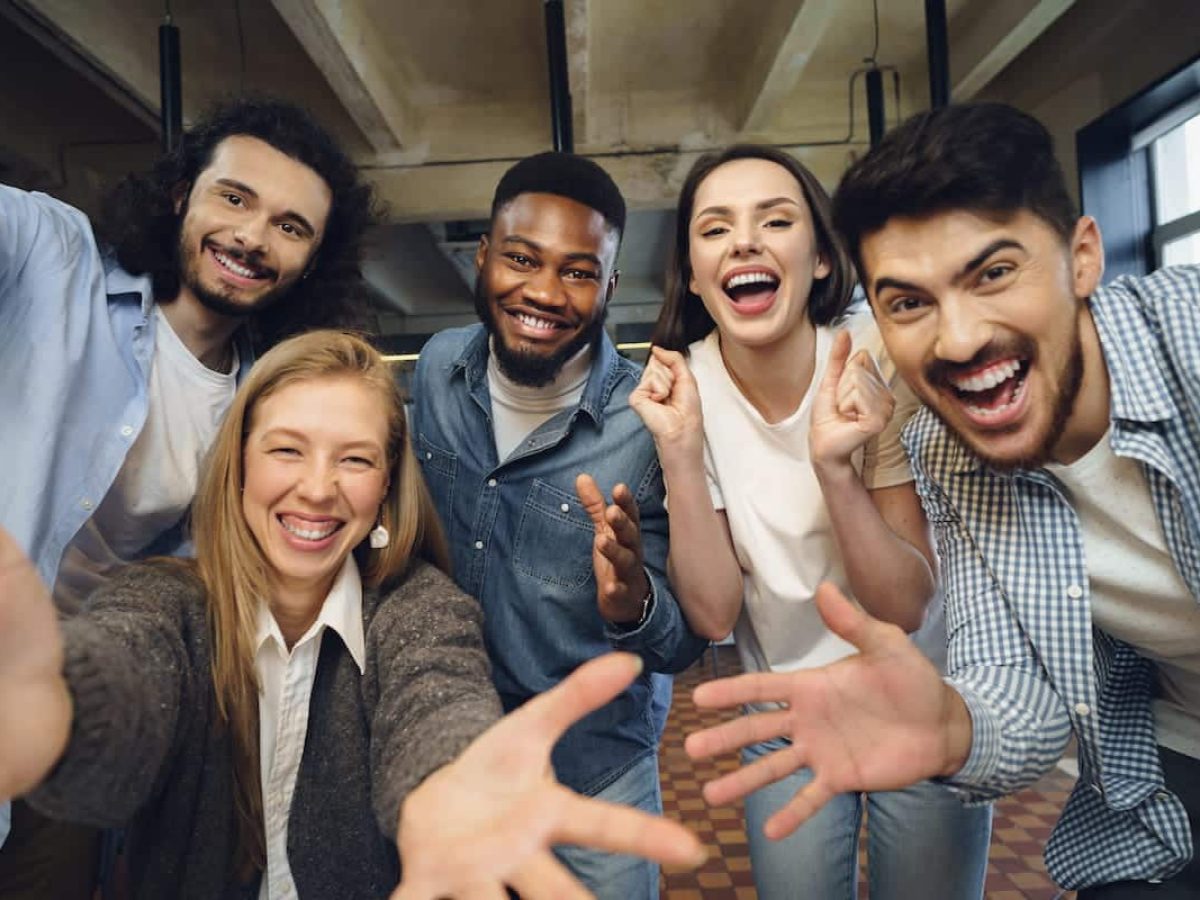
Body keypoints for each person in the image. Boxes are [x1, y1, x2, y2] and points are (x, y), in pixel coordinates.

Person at [685, 103, 1200, 898]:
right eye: (909, 304)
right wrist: (957, 725)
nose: (957, 340)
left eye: (993, 273)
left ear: (1084, 257)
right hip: (1164, 761)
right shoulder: (948, 451)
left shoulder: (1188, 337)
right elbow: (1014, 686)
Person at [0, 330, 705, 900]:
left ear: (387, 486)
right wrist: (58, 711)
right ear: (238, 463)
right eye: (286, 450)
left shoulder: (418, 610)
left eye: (355, 460)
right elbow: (125, 675)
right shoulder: (165, 602)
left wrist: (448, 795)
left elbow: (439, 707)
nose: (317, 489)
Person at [0, 95, 377, 896]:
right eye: (234, 198)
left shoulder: (261, 406)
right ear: (182, 195)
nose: (251, 236)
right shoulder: (52, 255)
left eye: (290, 226)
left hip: (84, 697)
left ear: (313, 260)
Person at [630, 144, 991, 899]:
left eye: (776, 219)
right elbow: (714, 612)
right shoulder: (682, 389)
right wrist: (681, 455)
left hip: (915, 691)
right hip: (784, 705)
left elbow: (903, 603)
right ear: (694, 275)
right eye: (715, 228)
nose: (745, 242)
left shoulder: (873, 365)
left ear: (822, 259)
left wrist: (836, 469)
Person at [409, 151, 708, 897]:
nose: (543, 292)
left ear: (609, 285)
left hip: (592, 769)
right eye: (520, 258)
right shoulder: (439, 367)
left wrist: (632, 600)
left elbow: (684, 638)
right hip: (451, 750)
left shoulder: (646, 424)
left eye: (578, 271)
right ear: (482, 258)